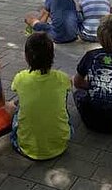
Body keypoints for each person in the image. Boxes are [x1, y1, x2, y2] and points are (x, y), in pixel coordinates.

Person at [11, 32, 71, 160]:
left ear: (27, 57)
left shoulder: (20, 78)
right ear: (52, 56)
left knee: (16, 110)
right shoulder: (63, 78)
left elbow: (16, 90)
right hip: (61, 145)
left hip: (26, 147)